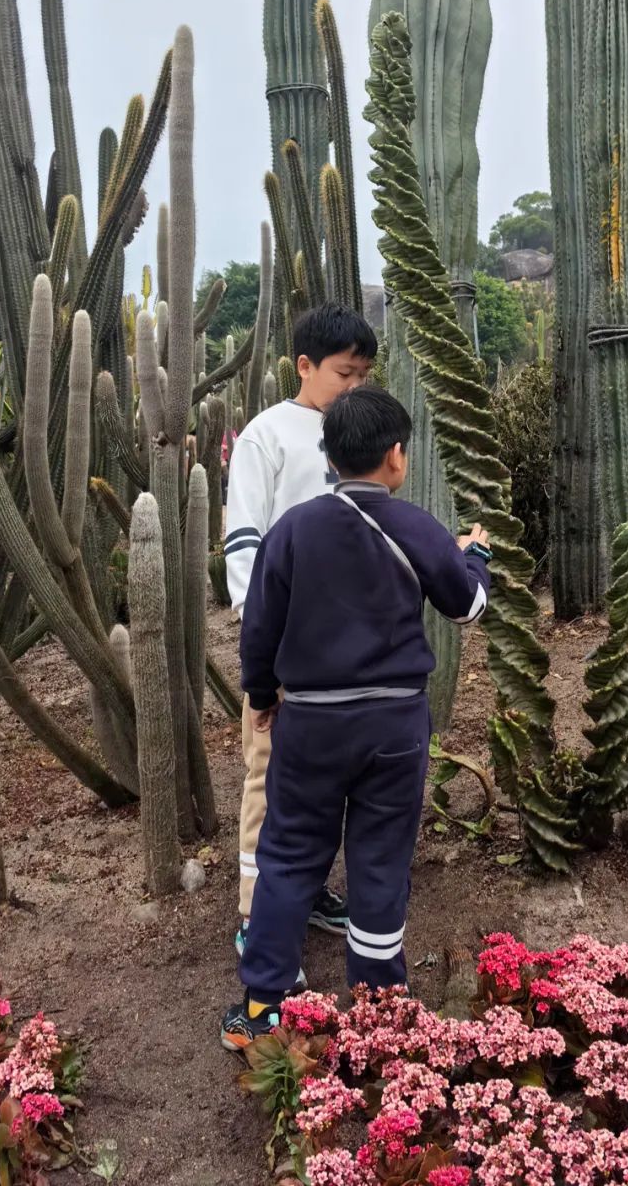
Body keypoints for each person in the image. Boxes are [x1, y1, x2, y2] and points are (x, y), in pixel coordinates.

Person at [221, 386, 491, 1049]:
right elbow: (467, 607)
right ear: (396, 456)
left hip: (311, 726)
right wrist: (475, 556)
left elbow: (259, 628)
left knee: (290, 856)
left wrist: (261, 695)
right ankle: (380, 1006)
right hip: (395, 730)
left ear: (328, 456)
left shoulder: (292, 530)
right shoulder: (417, 527)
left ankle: (262, 1007)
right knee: (380, 860)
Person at [225, 302, 377, 969]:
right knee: (270, 776)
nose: (354, 386)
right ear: (305, 365)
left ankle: (306, 890)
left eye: (363, 375)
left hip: (348, 650)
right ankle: (254, 910)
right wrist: (267, 642)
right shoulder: (268, 436)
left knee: (321, 785)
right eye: (345, 373)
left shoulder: (358, 437)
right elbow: (244, 545)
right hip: (288, 648)